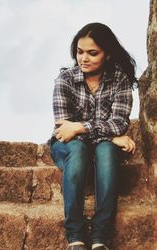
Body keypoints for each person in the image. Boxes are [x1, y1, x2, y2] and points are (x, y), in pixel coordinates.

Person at [48, 23, 137, 250]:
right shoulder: (64, 80)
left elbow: (119, 122)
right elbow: (64, 130)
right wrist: (109, 135)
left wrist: (82, 128)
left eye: (92, 53)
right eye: (80, 51)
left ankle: (100, 237)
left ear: (107, 54)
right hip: (67, 147)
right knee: (79, 148)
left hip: (101, 148)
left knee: (106, 150)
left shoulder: (120, 80)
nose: (83, 58)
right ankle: (75, 235)